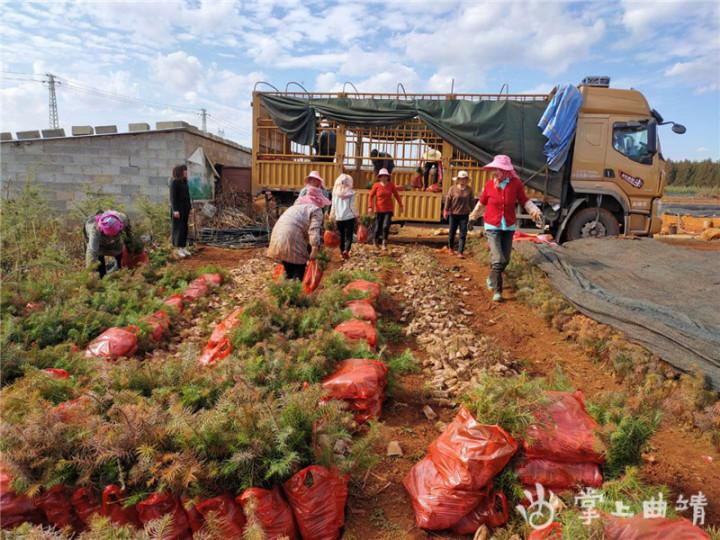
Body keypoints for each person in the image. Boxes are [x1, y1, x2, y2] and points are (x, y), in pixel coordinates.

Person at [470, 155, 542, 302]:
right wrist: (472, 217)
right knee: (498, 259)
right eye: (495, 169)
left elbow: (524, 201)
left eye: (498, 169)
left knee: (505, 260)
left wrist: (535, 212)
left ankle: (491, 277)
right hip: (492, 225)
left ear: (506, 171)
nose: (495, 172)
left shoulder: (516, 184)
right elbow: (481, 204)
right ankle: (498, 291)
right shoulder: (490, 185)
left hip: (508, 226)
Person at [267, 186, 330, 280]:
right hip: (291, 237)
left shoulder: (295, 208)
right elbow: (313, 230)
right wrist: (314, 249)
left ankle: (285, 291)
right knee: (298, 270)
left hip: (277, 236)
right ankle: (294, 291)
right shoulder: (315, 210)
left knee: (288, 271)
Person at [84, 210, 132, 278]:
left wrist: (131, 249)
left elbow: (129, 235)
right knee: (99, 258)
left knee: (120, 252)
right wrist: (91, 272)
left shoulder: (123, 219)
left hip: (116, 240)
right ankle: (102, 277)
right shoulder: (94, 230)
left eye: (112, 235)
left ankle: (121, 273)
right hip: (99, 240)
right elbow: (92, 252)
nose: (110, 238)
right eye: (109, 235)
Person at [368, 168, 403, 251]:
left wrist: (401, 205)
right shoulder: (376, 185)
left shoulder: (391, 185)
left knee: (385, 226)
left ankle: (384, 243)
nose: (383, 178)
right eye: (382, 176)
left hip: (388, 209)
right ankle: (375, 241)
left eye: (385, 176)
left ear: (388, 177)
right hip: (379, 210)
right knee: (377, 227)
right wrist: (370, 207)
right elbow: (370, 196)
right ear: (379, 177)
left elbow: (396, 195)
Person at [443, 170, 474, 258]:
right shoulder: (452, 189)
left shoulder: (469, 190)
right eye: (461, 179)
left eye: (465, 179)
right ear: (458, 179)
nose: (463, 181)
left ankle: (460, 252)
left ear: (467, 180)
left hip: (464, 214)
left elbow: (472, 202)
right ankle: (451, 248)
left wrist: (473, 213)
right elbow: (448, 200)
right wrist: (445, 210)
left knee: (463, 233)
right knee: (452, 232)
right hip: (453, 213)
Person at [330, 173, 357, 260]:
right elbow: (352, 206)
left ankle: (342, 252)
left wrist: (331, 215)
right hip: (349, 217)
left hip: (339, 218)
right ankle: (346, 250)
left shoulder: (335, 193)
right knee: (349, 236)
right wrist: (357, 215)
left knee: (341, 236)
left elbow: (333, 206)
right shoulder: (351, 193)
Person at [169, 164, 192, 258]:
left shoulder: (184, 182)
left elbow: (187, 196)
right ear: (180, 172)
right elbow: (173, 197)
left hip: (185, 209)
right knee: (178, 229)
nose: (186, 172)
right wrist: (175, 210)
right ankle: (177, 248)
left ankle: (183, 247)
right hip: (178, 210)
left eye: (186, 170)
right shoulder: (174, 182)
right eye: (184, 170)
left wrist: (190, 207)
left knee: (184, 228)